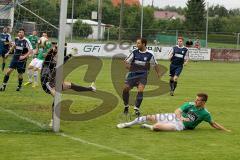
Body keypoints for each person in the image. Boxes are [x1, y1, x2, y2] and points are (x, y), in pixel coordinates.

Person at [40, 43, 96, 126]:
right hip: (46, 84)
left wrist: (71, 54)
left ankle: (91, 88)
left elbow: (64, 60)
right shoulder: (47, 61)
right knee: (57, 97)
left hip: (54, 82)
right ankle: (53, 120)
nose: (58, 57)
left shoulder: (57, 62)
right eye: (57, 55)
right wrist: (55, 48)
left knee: (70, 85)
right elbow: (50, 55)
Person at [117, 93, 231, 132]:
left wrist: (225, 130)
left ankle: (146, 126)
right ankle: (127, 124)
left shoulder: (205, 113)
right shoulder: (190, 104)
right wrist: (180, 117)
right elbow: (177, 110)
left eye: (198, 100)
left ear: (203, 102)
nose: (195, 101)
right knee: (148, 117)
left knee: (156, 127)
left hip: (180, 126)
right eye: (196, 99)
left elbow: (213, 123)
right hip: (173, 117)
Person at [122, 38, 160, 117]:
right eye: (137, 43)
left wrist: (158, 73)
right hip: (132, 74)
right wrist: (130, 68)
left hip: (143, 75)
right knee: (125, 89)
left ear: (143, 44)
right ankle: (126, 106)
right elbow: (126, 62)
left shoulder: (150, 54)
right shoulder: (134, 52)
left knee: (140, 89)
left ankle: (136, 109)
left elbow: (155, 64)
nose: (137, 45)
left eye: (138, 43)